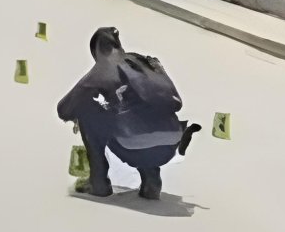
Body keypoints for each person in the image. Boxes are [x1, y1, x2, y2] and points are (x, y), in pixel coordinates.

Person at [57, 27, 201, 200]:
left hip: (133, 146)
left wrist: (91, 109)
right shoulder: (141, 61)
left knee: (88, 118)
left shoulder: (99, 74)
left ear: (97, 53)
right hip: (171, 141)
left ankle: (99, 182)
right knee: (143, 115)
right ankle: (151, 179)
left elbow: (64, 109)